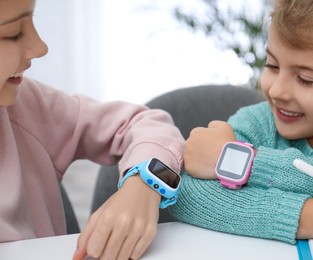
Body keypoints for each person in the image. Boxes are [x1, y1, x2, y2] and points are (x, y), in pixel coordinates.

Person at [170, 0, 313, 246]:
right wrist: (310, 217)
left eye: (306, 79)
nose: (276, 91)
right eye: (272, 65)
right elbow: (187, 195)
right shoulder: (257, 121)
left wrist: (250, 163)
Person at [0, 0, 184, 259]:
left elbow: (144, 124)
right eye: (13, 33)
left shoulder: (27, 107)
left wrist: (145, 182)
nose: (40, 47)